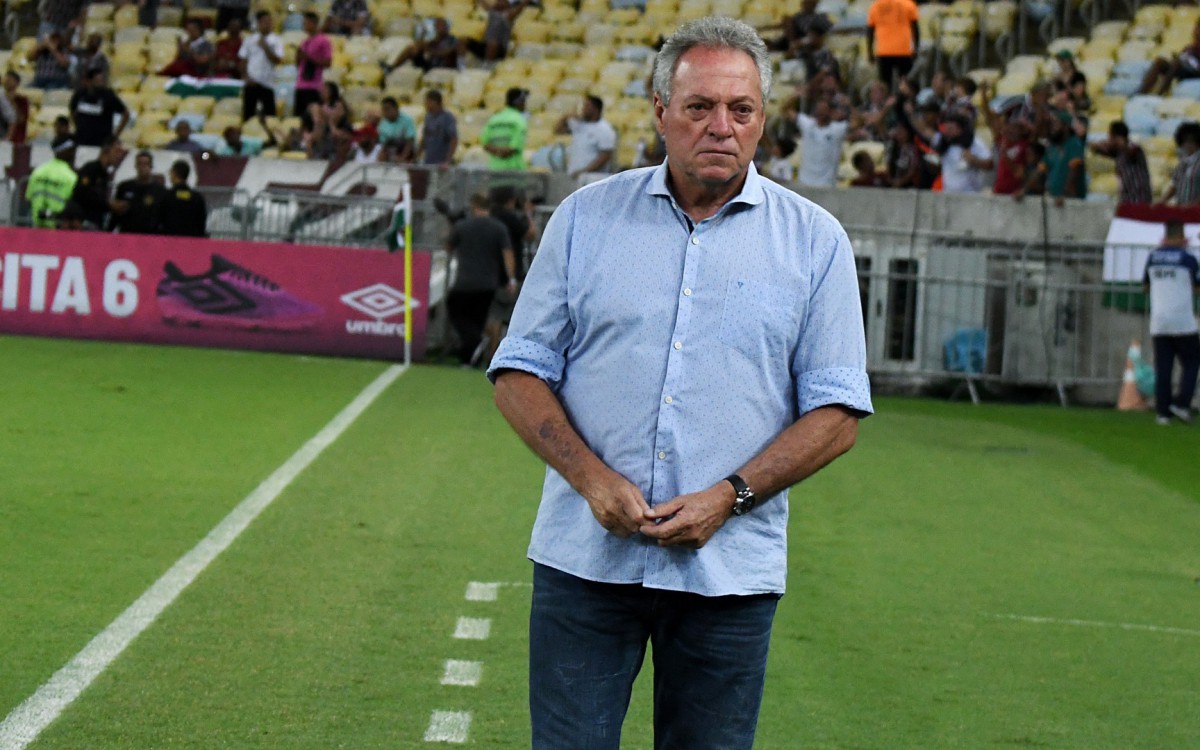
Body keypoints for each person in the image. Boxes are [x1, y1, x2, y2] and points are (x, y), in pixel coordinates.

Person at [487, 16, 870, 749]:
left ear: (764, 119)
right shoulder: (585, 220)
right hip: (584, 565)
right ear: (660, 111)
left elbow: (837, 413)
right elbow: (518, 372)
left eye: (741, 109)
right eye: (699, 107)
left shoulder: (815, 242)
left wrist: (731, 497)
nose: (721, 127)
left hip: (729, 576)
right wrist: (593, 480)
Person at [448, 191, 516, 366]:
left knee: (458, 314)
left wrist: (452, 223)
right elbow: (508, 254)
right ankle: (471, 358)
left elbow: (448, 245)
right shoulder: (498, 227)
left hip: (465, 281)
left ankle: (474, 344)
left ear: (474, 207)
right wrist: (511, 278)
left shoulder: (463, 226)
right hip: (488, 283)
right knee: (478, 319)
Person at [1143, 220, 1200, 425]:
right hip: (1182, 321)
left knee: (1164, 367)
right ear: (1181, 236)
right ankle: (1182, 403)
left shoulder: (1153, 257)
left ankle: (1162, 413)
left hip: (1159, 321)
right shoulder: (1188, 259)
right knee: (1193, 362)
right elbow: (1197, 286)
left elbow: (1145, 287)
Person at [1016, 112, 1085, 206]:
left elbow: (1074, 171)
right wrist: (1024, 190)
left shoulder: (1074, 145)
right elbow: (1039, 170)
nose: (1052, 127)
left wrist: (1065, 194)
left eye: (1056, 124)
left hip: (1070, 200)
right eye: (1052, 124)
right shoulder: (1052, 147)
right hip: (1055, 198)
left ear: (1066, 126)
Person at [554, 94, 617, 179]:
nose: (583, 108)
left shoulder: (605, 129)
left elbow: (605, 156)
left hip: (592, 178)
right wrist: (566, 117)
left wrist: (585, 171)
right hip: (574, 175)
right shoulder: (579, 124)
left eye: (586, 106)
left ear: (595, 109)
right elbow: (558, 130)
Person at [1089, 120, 1152, 205]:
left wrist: (1118, 143)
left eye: (1110, 136)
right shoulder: (1118, 153)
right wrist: (1105, 144)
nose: (1109, 138)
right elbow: (1095, 147)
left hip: (1140, 197)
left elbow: (1130, 151)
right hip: (1127, 197)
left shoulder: (1135, 148)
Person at [71, 136, 124, 229]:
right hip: (84, 222)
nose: (119, 155)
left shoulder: (106, 175)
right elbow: (81, 193)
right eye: (117, 151)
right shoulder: (91, 169)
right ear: (107, 150)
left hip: (97, 223)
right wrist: (109, 204)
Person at [26, 134, 78, 229]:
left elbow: (29, 198)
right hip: (58, 229)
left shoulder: (38, 172)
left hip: (36, 228)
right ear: (65, 151)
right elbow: (72, 207)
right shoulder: (71, 177)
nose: (73, 153)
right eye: (71, 150)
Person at [240, 11, 284, 122]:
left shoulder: (277, 40)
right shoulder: (249, 39)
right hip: (251, 82)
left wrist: (266, 47)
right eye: (264, 22)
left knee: (270, 115)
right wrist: (245, 77)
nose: (268, 24)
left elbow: (278, 60)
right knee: (248, 114)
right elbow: (243, 59)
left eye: (269, 21)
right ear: (258, 23)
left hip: (267, 83)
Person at [796, 97, 848, 188]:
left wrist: (849, 105)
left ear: (830, 112)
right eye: (819, 109)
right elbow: (785, 110)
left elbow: (860, 121)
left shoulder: (837, 129)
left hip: (826, 185)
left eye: (824, 110)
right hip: (804, 183)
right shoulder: (808, 125)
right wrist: (797, 96)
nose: (820, 112)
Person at [69, 69, 129, 147]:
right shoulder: (79, 95)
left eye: (102, 80)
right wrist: (77, 125)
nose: (101, 82)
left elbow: (125, 113)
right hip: (81, 139)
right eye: (98, 80)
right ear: (89, 81)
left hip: (101, 141)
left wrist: (116, 135)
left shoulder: (108, 96)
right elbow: (72, 110)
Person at [866, 0, 919, 89]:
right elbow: (915, 29)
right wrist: (916, 48)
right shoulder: (908, 4)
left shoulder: (875, 6)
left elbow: (870, 31)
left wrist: (870, 52)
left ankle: (887, 102)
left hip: (883, 51)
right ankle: (905, 101)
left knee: (885, 85)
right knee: (905, 82)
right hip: (904, 50)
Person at [111, 151, 166, 234]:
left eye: (145, 164)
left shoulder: (160, 190)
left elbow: (163, 216)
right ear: (135, 166)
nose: (142, 167)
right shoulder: (125, 187)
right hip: (127, 234)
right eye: (140, 164)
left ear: (151, 166)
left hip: (150, 236)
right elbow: (116, 213)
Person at [461, 0, 532, 63]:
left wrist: (526, 2)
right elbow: (483, 3)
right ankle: (460, 64)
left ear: (507, 5)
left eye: (502, 1)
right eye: (498, 1)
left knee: (492, 44)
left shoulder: (509, 15)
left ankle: (487, 66)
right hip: (485, 46)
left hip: (499, 50)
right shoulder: (492, 12)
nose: (498, 2)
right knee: (464, 40)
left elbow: (520, 8)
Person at [1140, 21, 1200, 95]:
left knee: (1176, 63)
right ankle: (1141, 93)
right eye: (1196, 28)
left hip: (1196, 73)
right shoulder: (1190, 48)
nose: (1195, 31)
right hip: (1185, 69)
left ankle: (1160, 93)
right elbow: (1183, 57)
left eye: (1198, 29)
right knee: (1160, 62)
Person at [937, 114, 992, 194]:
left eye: (951, 129)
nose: (947, 132)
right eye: (946, 128)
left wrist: (973, 160)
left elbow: (990, 164)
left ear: (960, 129)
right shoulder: (944, 143)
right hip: (948, 194)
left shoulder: (975, 143)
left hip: (969, 195)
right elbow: (925, 131)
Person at [294, 12, 333, 123]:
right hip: (300, 85)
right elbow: (298, 64)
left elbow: (328, 62)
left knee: (312, 120)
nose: (303, 25)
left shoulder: (324, 41)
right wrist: (298, 56)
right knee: (299, 119)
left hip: (313, 86)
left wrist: (309, 58)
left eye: (305, 23)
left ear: (313, 23)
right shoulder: (304, 42)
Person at [384, 17, 458, 72]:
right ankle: (392, 68)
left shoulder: (452, 39)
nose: (440, 28)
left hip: (443, 66)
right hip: (429, 64)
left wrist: (430, 51)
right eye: (438, 25)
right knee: (413, 48)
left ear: (447, 27)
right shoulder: (435, 40)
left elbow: (448, 53)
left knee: (420, 46)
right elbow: (427, 49)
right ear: (435, 27)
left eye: (442, 25)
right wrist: (423, 46)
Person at [481, 87, 527, 172]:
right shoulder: (519, 120)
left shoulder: (494, 119)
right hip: (514, 172)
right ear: (518, 102)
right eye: (524, 101)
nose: (525, 104)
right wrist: (503, 152)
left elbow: (485, 143)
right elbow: (513, 148)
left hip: (494, 171)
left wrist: (497, 151)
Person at [159, 160, 208, 237]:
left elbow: (160, 219)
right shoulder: (197, 198)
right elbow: (201, 222)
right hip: (191, 241)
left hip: (169, 240)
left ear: (175, 173)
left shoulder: (166, 196)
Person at [1160, 121, 1200, 207]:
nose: (1188, 145)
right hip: (1181, 209)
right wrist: (1162, 201)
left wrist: (1192, 205)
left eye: (1191, 141)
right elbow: (1174, 185)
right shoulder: (1182, 164)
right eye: (1185, 141)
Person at [417, 89, 458, 167]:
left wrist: (447, 161)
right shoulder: (428, 117)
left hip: (441, 164)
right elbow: (424, 137)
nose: (425, 104)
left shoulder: (448, 118)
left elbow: (454, 139)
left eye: (427, 102)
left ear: (435, 102)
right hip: (428, 161)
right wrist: (417, 155)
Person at [377, 96, 416, 161]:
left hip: (408, 155)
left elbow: (410, 141)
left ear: (396, 108)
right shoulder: (382, 124)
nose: (385, 112)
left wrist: (403, 157)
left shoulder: (407, 120)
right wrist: (382, 155)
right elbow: (384, 144)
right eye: (383, 110)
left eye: (387, 109)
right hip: (392, 155)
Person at [0, 72, 29, 143]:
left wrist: (12, 102)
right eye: (6, 80)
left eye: (9, 80)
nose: (7, 82)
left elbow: (21, 120)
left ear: (17, 83)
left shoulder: (22, 100)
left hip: (15, 138)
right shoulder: (1, 98)